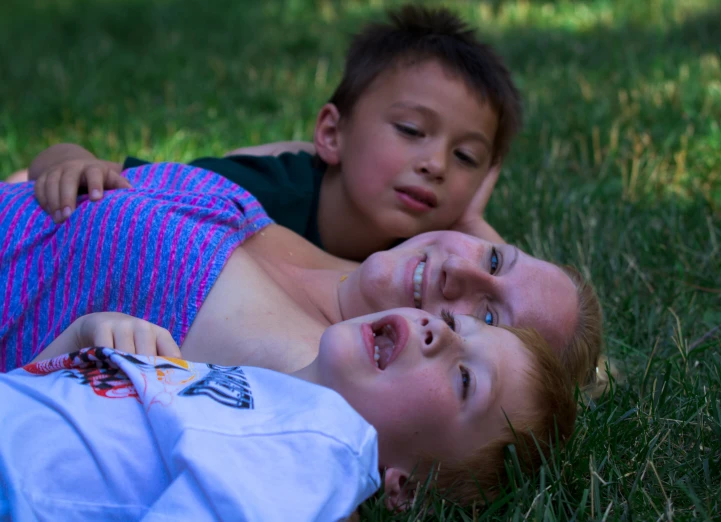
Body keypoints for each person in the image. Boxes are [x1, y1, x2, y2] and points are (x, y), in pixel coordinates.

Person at [1, 154, 602, 386]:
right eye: (494, 258)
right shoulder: (327, 237)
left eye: (489, 316)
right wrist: (67, 160)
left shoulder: (306, 367)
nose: (461, 275)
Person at [29, 5, 522, 261]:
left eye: (465, 158)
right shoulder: (255, 193)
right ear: (332, 133)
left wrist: (472, 226)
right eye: (412, 129)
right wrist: (70, 162)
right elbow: (101, 179)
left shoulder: (431, 251)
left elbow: (526, 325)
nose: (436, 164)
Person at [0, 307, 576, 519]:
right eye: (455, 324)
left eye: (464, 378)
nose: (438, 331)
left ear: (401, 488)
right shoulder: (256, 392)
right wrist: (81, 344)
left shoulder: (326, 448)